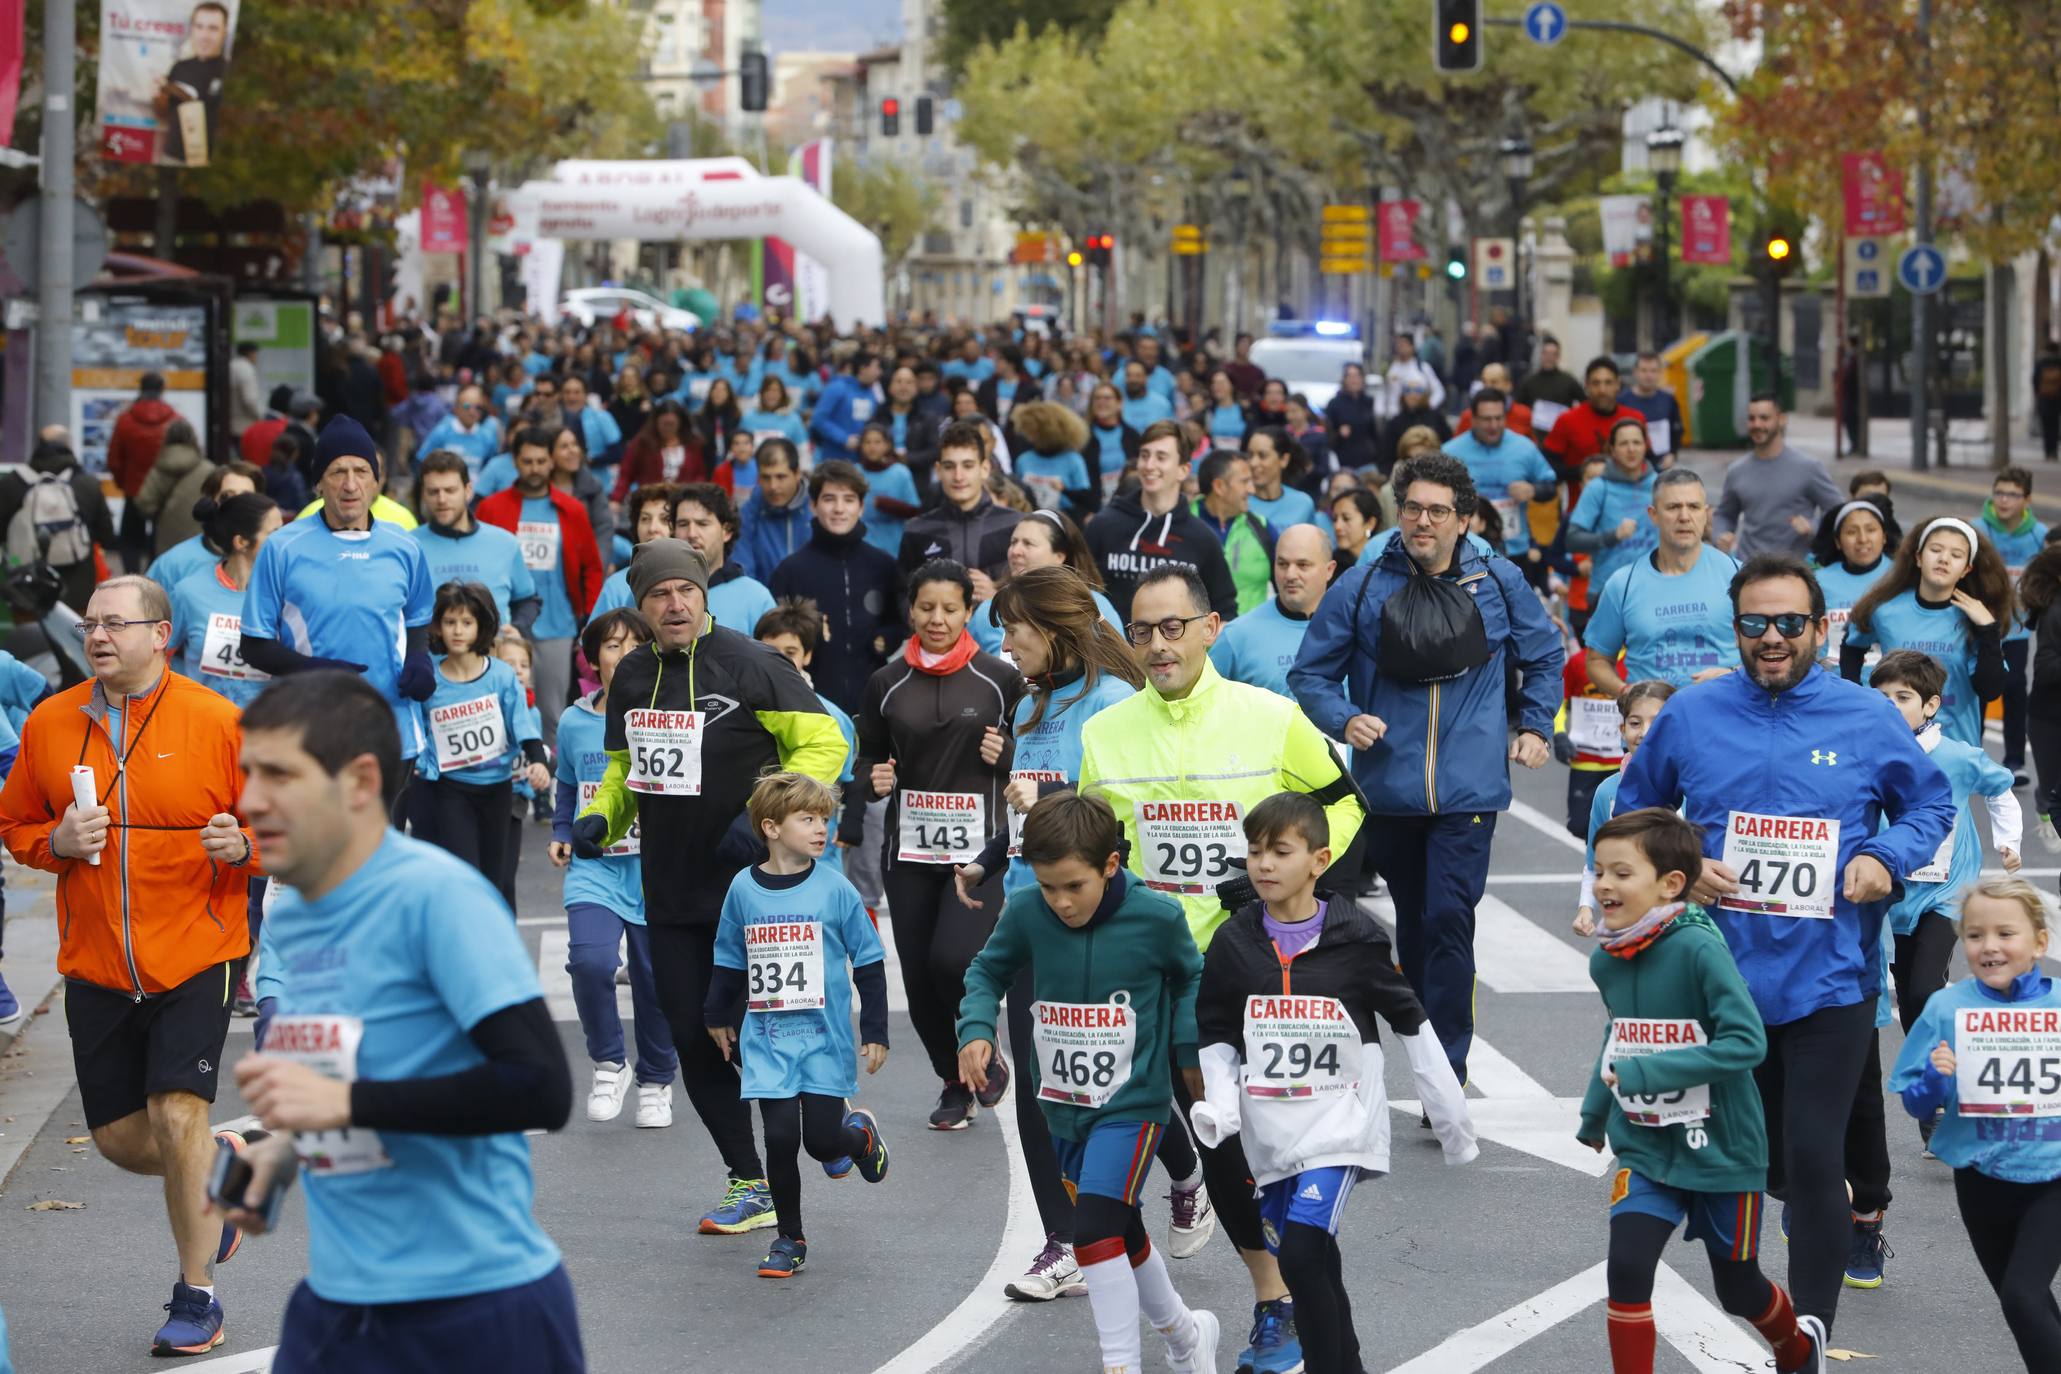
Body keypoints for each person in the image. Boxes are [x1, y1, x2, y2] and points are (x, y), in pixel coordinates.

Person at [1615, 552, 1955, 1337]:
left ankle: (1809, 1330)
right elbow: (1635, 812)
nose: (1772, 638)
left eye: (1789, 623)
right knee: (1758, 1166)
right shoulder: (1692, 716)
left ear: (1819, 626)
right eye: (1754, 623)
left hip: (1828, 981)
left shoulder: (1866, 717)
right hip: (1716, 981)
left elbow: (1928, 808)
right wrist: (1681, 862)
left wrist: (1883, 857)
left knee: (1811, 1160)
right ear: (1734, 628)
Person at [222, 672, 583, 1374]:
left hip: (474, 1312)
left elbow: (541, 1087)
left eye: (277, 776)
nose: (249, 801)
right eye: (247, 774)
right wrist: (286, 1151)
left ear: (358, 781)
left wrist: (346, 1104)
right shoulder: (295, 909)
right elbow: (358, 1065)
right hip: (335, 1310)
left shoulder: (437, 897)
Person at [1080, 563, 1372, 1374]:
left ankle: (1302, 1295)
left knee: (1274, 1134)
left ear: (1211, 629)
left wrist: (1286, 879)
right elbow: (1098, 851)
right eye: (1141, 631)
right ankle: (1272, 1299)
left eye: (1173, 627)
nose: (1158, 645)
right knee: (1219, 1141)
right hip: (1165, 971)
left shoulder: (1272, 717)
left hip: (1260, 962)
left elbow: (1344, 802)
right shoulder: (1104, 734)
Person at [0, 575, 257, 1356]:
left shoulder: (218, 721)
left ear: (160, 635)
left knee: (178, 1111)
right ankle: (221, 1170)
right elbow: (15, 822)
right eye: (90, 626)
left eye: (116, 624)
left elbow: (284, 818)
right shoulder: (50, 722)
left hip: (197, 949)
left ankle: (197, 1297)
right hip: (98, 962)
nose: (99, 636)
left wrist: (246, 845)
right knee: (119, 1139)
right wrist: (56, 844)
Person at [570, 539, 846, 1235]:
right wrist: (601, 815)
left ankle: (837, 1133)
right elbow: (621, 770)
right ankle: (747, 1181)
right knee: (696, 1037)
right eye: (658, 594)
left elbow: (824, 747)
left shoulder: (753, 664)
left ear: (703, 596)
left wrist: (764, 820)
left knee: (775, 1028)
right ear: (640, 603)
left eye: (684, 591)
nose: (673, 603)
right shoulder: (631, 677)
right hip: (672, 889)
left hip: (760, 889)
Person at [1290, 451, 1561, 1086]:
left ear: (1464, 520)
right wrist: (1345, 719)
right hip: (1389, 790)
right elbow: (1309, 673)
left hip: (1469, 791)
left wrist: (1537, 726)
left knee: (1448, 919)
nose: (1423, 521)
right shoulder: (1361, 584)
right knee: (1413, 927)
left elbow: (1546, 656)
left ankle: (1448, 1071)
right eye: (1412, 507)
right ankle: (1426, 1046)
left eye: (1439, 511)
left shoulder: (1498, 580)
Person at [1194, 793, 1477, 1374]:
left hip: (1341, 1128)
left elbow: (1414, 1027)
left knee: (1299, 1257)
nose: (1264, 865)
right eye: (1254, 852)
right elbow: (1217, 1033)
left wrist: (1453, 1125)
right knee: (1311, 1256)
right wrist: (1221, 1108)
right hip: (1271, 1134)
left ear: (1319, 860)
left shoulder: (1358, 940)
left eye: (1280, 851)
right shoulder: (1234, 943)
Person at [952, 566, 1174, 1296]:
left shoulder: (1115, 702)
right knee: (1044, 1089)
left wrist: (1046, 789)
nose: (1004, 645)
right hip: (1032, 909)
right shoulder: (1026, 705)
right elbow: (1027, 817)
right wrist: (988, 859)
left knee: (1121, 1085)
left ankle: (1187, 1170)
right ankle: (1066, 1240)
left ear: (1048, 628)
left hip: (1101, 913)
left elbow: (1114, 809)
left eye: (1012, 630)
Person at [955, 791, 1221, 1374]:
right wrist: (975, 1028)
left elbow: (1189, 977)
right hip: (1062, 1105)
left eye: (1073, 886)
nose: (1061, 902)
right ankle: (1184, 1335)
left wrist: (1187, 1052)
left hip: (1134, 1102)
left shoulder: (1157, 916)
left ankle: (1119, 1365)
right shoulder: (1027, 911)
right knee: (1119, 1229)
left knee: (1093, 1227)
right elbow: (987, 969)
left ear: (1110, 865)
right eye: (1049, 886)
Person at [1574, 808, 1830, 1374]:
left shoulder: (1697, 948)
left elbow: (1746, 1042)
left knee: (1738, 1288)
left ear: (1670, 884)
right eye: (1598, 871)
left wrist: (1646, 1075)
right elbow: (1621, 1037)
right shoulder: (1608, 959)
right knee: (1628, 1270)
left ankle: (1797, 1347)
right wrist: (1595, 1114)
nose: (1604, 885)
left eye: (1621, 872)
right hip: (1644, 1144)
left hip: (1722, 1149)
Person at [840, 559, 1024, 1130]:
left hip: (981, 850)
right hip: (910, 851)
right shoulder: (886, 682)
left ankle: (980, 1044)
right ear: (910, 610)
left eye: (950, 608)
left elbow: (1037, 754)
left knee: (954, 960)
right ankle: (953, 1081)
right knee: (918, 979)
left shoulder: (1001, 678)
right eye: (926, 608)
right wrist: (871, 779)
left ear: (970, 610)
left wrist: (1010, 753)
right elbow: (867, 754)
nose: (937, 619)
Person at [705, 771, 891, 1279]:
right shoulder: (743, 888)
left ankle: (860, 1139)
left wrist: (875, 1029)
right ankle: (790, 1238)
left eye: (825, 820)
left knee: (822, 1143)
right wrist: (717, 1014)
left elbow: (869, 960)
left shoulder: (835, 889)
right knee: (781, 1139)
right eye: (807, 819)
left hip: (822, 1040)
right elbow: (729, 956)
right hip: (767, 1040)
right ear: (770, 826)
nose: (820, 830)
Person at [1889, 876, 2061, 1370]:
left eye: (2006, 934)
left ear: (2039, 942)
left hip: (2051, 1179)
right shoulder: (1948, 1008)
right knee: (2023, 1303)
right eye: (1976, 935)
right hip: (1980, 1180)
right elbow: (1917, 1105)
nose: (1990, 946)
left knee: (2023, 1297)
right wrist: (1934, 1085)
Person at [241, 416, 438, 779]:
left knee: (385, 837)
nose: (350, 485)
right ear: (318, 483)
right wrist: (319, 670)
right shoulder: (283, 547)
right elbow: (254, 646)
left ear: (376, 481)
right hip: (310, 728)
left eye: (361, 471)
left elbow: (417, 622)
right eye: (337, 472)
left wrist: (421, 663)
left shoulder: (405, 546)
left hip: (390, 726)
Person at [549, 607, 678, 1129]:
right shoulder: (575, 720)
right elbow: (566, 784)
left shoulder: (666, 714)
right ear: (592, 656)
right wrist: (562, 832)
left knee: (654, 978)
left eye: (632, 645)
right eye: (610, 644)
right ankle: (609, 1063)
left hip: (655, 869)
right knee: (590, 962)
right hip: (594, 867)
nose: (620, 654)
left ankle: (656, 1080)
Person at [1870, 650, 2020, 1094]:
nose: (1890, 706)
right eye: (1880, 697)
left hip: (1947, 893)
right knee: (1912, 1000)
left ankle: (1941, 1102)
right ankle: (1935, 1089)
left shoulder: (1956, 755)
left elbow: (2001, 789)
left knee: (1920, 992)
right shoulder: (1866, 754)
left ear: (1930, 706)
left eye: (1902, 697)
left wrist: (2007, 841)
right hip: (1890, 895)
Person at [414, 581, 549, 895]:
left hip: (497, 790)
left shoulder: (500, 676)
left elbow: (522, 724)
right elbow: (416, 725)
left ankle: (495, 941)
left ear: (482, 626)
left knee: (495, 878)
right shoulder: (429, 675)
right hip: (451, 789)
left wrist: (539, 762)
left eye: (466, 622)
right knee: (466, 875)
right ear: (437, 626)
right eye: (450, 622)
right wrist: (421, 763)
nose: (458, 631)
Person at [475, 424, 604, 748]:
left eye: (540, 461)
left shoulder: (572, 510)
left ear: (551, 462)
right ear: (515, 462)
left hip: (558, 625)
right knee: (497, 708)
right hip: (505, 626)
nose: (534, 469)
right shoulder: (491, 507)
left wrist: (589, 615)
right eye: (527, 461)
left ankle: (550, 790)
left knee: (552, 713)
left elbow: (591, 566)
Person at [1843, 517, 2011, 748]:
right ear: (1919, 557)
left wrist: (1989, 631)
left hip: (1954, 747)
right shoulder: (1885, 609)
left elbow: (1990, 690)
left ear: (1966, 569)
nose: (1944, 559)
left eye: (1956, 555)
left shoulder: (1976, 618)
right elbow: (1852, 646)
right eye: (1935, 550)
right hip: (1891, 740)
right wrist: (1857, 700)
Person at [1583, 468, 1742, 695]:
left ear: (1706, 514)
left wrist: (1733, 674)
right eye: (1673, 507)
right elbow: (1597, 660)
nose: (1684, 517)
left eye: (1694, 507)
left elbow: (1767, 650)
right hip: (1653, 725)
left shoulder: (1737, 575)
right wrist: (1627, 693)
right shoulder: (1623, 583)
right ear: (1653, 515)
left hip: (1726, 716)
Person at [767, 463, 900, 713]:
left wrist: (887, 638)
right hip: (810, 703)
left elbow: (900, 619)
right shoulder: (790, 570)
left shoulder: (883, 565)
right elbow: (772, 638)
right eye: (829, 499)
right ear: (813, 505)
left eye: (849, 500)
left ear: (861, 507)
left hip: (873, 703)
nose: (839, 509)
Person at [1086, 421, 1239, 622]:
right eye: (1144, 455)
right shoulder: (1103, 525)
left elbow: (1225, 611)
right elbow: (1078, 592)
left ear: (1183, 470)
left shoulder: (1203, 538)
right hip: (1110, 652)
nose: (1149, 465)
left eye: (1161, 457)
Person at [1572, 680, 1675, 936]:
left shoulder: (1691, 788)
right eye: (1635, 723)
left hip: (1678, 919)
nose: (1644, 732)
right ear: (1622, 729)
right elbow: (1593, 859)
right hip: (1626, 920)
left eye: (1657, 722)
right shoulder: (1607, 791)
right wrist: (1585, 908)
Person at [168, 493, 283, 707]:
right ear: (241, 542)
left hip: (266, 728)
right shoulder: (189, 592)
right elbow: (159, 655)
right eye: (274, 534)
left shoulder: (288, 594)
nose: (284, 541)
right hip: (205, 725)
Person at [411, 450, 542, 634]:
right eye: (433, 492)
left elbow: (528, 600)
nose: (441, 499)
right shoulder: (409, 547)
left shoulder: (505, 543)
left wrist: (517, 628)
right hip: (429, 662)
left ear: (468, 491)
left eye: (450, 490)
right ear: (423, 495)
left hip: (493, 659)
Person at [969, 509, 1125, 656]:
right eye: (1013, 542)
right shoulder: (989, 611)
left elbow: (1120, 665)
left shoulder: (1092, 605)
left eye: (1028, 543)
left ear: (1059, 556)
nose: (1015, 551)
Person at [1209, 525, 1334, 699]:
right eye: (1282, 564)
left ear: (1329, 570)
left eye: (1302, 565)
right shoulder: (1237, 636)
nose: (1290, 574)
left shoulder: (1351, 630)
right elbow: (1202, 704)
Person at [895, 420, 1021, 593]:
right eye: (949, 466)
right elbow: (903, 595)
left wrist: (997, 597)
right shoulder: (916, 530)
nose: (958, 476)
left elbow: (1033, 594)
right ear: (938, 471)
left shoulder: (1016, 525)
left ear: (984, 468)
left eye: (968, 466)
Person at [1712, 395, 1842, 560]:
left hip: (1794, 570)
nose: (1757, 424)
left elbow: (1838, 510)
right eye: (1752, 419)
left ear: (1781, 420)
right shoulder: (1736, 470)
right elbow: (1725, 514)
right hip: (1749, 566)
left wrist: (1813, 526)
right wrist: (1720, 535)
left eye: (1764, 418)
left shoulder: (1808, 467)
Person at [1979, 467, 2046, 783]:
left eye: (2013, 494)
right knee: (1977, 688)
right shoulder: (1977, 530)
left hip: (2017, 628)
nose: (2004, 500)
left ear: (2027, 500)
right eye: (2000, 492)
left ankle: (2015, 760)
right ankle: (1971, 753)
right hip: (1980, 625)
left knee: (2016, 685)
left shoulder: (2040, 537)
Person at [1444, 391, 1555, 560]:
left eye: (1499, 418)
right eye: (1487, 419)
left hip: (1515, 549)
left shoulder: (1524, 447)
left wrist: (1533, 490)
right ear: (1472, 419)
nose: (1494, 425)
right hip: (1465, 550)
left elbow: (1551, 486)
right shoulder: (1450, 452)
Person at [1190, 449, 1276, 616]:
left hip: (1249, 639)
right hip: (1194, 639)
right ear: (1219, 486)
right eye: (1245, 482)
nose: (1252, 489)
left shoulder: (1261, 527)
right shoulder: (1180, 527)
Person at [107, 372, 178, 569]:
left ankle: (132, 579)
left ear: (141, 389)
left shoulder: (125, 420)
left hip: (133, 489)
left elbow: (114, 460)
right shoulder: (174, 419)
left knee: (130, 539)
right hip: (164, 491)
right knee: (160, 538)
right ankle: (156, 580)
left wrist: (124, 483)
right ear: (162, 389)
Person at [1812, 499, 1892, 668]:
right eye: (1851, 532)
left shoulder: (1902, 578)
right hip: (1834, 682)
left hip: (1890, 684)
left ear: (1884, 536)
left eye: (1871, 530)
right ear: (1838, 542)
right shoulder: (1818, 581)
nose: (1862, 539)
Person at [734, 439, 812, 581]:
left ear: (797, 473)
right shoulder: (747, 514)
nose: (773, 486)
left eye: (781, 477)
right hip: (765, 601)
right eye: (766, 477)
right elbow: (743, 572)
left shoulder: (817, 510)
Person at [132, 419, 210, 557]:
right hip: (200, 540)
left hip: (166, 540)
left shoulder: (159, 469)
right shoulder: (207, 469)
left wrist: (161, 514)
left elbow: (144, 502)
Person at [1010, 401, 1095, 516]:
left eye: (1036, 432)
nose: (1031, 437)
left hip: (1065, 519)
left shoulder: (1073, 460)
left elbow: (1087, 499)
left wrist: (1064, 490)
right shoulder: (1024, 460)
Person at [854, 421, 924, 558]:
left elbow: (915, 510)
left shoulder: (900, 473)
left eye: (877, 442)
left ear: (887, 445)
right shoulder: (854, 472)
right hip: (859, 545)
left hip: (892, 546)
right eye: (867, 442)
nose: (872, 447)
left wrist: (886, 504)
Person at [809, 353, 884, 464]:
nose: (879, 372)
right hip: (833, 458)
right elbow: (818, 419)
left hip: (861, 460)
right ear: (863, 369)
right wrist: (844, 439)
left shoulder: (872, 393)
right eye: (876, 367)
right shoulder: (837, 387)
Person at [417, 385, 504, 478]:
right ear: (456, 408)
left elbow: (491, 469)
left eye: (478, 407)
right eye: (467, 406)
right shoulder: (442, 432)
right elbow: (422, 461)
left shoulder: (487, 437)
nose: (472, 411)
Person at [1245, 429, 1317, 531]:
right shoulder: (1239, 503)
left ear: (1284, 460)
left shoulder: (1303, 504)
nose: (1253, 463)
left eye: (1262, 456)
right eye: (1250, 455)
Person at [1620, 350, 1684, 463]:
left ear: (1660, 373)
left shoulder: (1668, 400)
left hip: (1661, 465)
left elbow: (1677, 430)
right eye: (1644, 370)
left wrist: (1673, 454)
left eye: (1653, 371)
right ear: (1635, 372)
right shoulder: (1622, 401)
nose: (1648, 375)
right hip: (1630, 464)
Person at [1375, 381, 1449, 474]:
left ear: (1425, 394)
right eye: (1407, 390)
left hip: (1435, 469)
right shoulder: (1394, 423)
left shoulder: (1437, 418)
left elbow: (1448, 445)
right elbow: (1385, 456)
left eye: (1417, 390)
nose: (1412, 394)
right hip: (1404, 472)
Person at [1513, 335, 1586, 418]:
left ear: (1558, 356)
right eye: (1546, 353)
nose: (1549, 358)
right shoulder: (1528, 381)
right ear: (1541, 354)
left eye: (1553, 354)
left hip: (1562, 428)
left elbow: (1585, 403)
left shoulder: (1569, 381)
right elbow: (1517, 407)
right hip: (1533, 429)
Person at [1323, 365, 1378, 473]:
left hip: (1368, 461)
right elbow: (1327, 436)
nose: (1354, 380)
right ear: (1344, 379)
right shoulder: (1334, 404)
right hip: (1344, 463)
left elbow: (1375, 433)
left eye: (1357, 375)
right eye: (1350, 376)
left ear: (1362, 379)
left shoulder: (1370, 402)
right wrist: (1339, 433)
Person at [1383, 333, 1445, 414]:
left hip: (1419, 416)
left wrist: (1429, 406)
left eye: (1404, 344)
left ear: (1412, 347)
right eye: (1399, 344)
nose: (1401, 347)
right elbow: (1386, 393)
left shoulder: (1423, 368)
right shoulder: (1392, 369)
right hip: (1396, 417)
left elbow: (1439, 391)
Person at [1326, 489, 1382, 570]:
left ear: (1370, 523)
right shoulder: (1331, 565)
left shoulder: (1383, 560)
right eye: (1334, 519)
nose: (1337, 526)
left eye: (1346, 518)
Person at [1120, 359, 1176, 432]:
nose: (1133, 380)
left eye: (1138, 376)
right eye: (1129, 375)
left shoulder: (1162, 404)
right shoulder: (1118, 404)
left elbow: (1170, 432)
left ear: (1146, 378)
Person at [229, 340, 264, 438]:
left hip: (229, 423)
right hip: (244, 425)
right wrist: (260, 416)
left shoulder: (231, 366)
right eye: (255, 353)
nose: (256, 356)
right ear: (250, 353)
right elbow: (250, 400)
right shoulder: (246, 369)